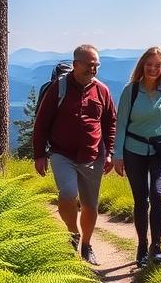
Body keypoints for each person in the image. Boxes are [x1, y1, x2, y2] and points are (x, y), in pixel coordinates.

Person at [33, 44, 116, 265]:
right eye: (90, 65)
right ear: (76, 64)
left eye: (96, 65)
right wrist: (39, 154)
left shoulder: (102, 91)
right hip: (62, 154)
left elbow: (110, 123)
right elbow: (41, 123)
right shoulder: (58, 89)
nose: (94, 69)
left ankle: (87, 245)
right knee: (67, 194)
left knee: (90, 205)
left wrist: (110, 153)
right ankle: (72, 232)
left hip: (93, 155)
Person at [114, 46, 161, 267]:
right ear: (142, 66)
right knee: (141, 200)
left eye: (158, 65)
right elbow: (121, 126)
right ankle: (141, 245)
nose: (153, 69)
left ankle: (156, 246)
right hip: (133, 150)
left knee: (158, 194)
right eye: (149, 65)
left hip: (160, 150)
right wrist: (117, 155)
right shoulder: (131, 91)